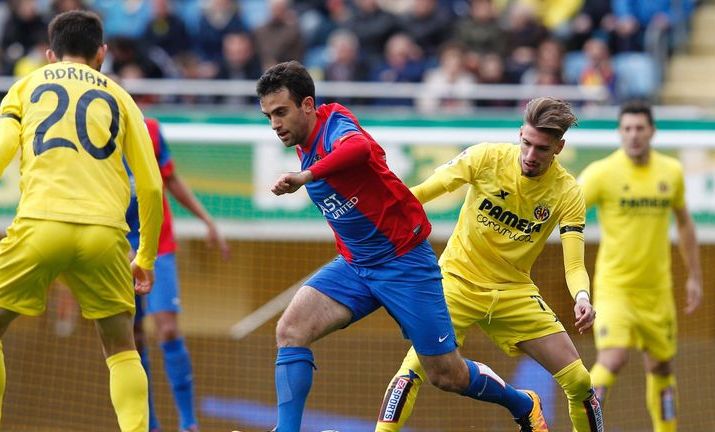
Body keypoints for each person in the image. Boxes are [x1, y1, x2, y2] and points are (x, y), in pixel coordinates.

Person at [257, 60, 549, 432]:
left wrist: (306, 175)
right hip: (356, 266)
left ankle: (523, 403)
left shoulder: (335, 126)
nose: (275, 124)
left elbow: (360, 149)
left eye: (281, 112)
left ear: (309, 105)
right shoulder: (303, 141)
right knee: (291, 329)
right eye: (269, 116)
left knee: (447, 375)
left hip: (404, 264)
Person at [0, 10, 164, 432]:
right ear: (101, 53)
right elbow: (152, 187)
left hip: (40, 225)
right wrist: (147, 258)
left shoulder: (26, 86)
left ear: (50, 55)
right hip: (105, 233)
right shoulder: (121, 97)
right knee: (121, 346)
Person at [374, 97, 604, 432]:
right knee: (411, 373)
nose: (530, 156)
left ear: (559, 147)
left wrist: (582, 297)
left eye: (542, 148)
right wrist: (372, 214)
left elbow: (573, 265)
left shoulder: (567, 192)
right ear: (519, 133)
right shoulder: (486, 157)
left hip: (514, 292)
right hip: (456, 283)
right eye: (526, 143)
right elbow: (420, 194)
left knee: (581, 382)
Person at [579, 101, 703, 432]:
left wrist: (694, 276)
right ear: (620, 133)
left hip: (658, 290)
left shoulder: (671, 172)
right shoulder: (602, 173)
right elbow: (568, 207)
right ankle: (584, 425)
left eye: (639, 128)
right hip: (615, 288)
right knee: (613, 358)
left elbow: (685, 222)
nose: (633, 135)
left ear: (652, 131)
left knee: (661, 365)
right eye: (627, 129)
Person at [126, 118, 231, 432]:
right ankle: (150, 424)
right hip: (116, 244)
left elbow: (170, 179)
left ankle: (189, 423)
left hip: (158, 243)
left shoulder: (151, 130)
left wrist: (207, 221)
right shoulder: (90, 133)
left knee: (167, 329)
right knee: (132, 337)